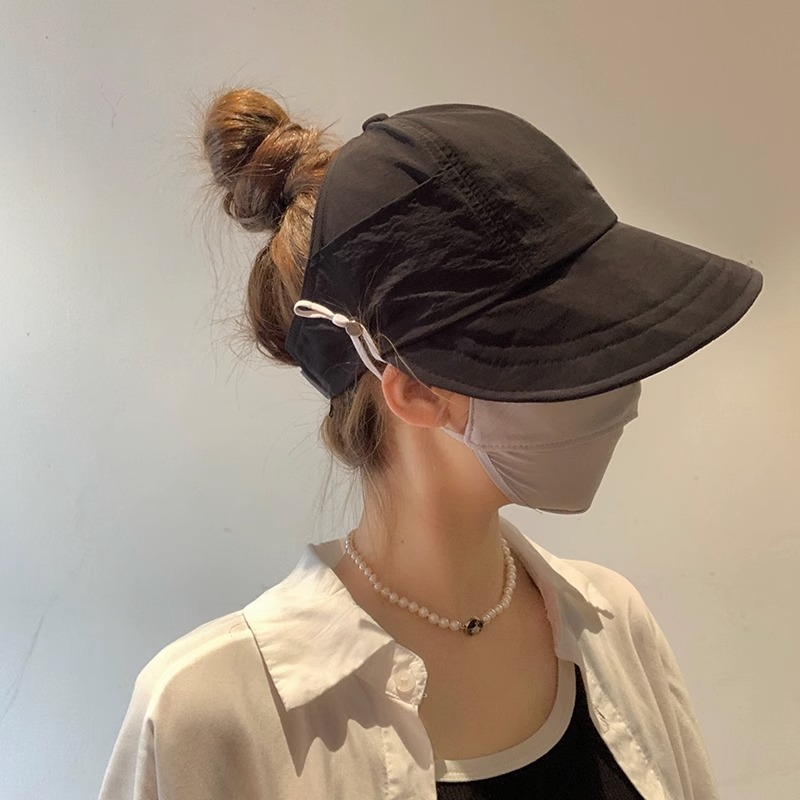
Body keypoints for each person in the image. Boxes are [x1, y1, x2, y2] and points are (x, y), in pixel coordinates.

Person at [98, 92, 762, 799]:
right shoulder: (207, 714)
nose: (618, 386)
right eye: (562, 345)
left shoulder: (614, 626)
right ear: (414, 390)